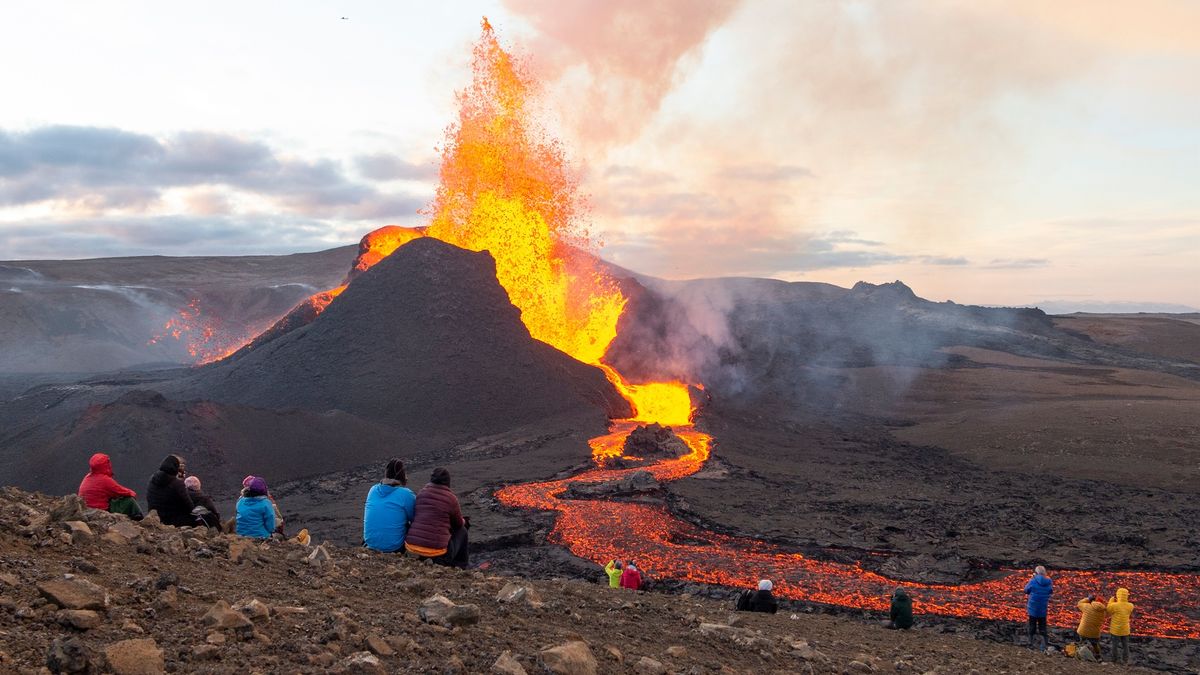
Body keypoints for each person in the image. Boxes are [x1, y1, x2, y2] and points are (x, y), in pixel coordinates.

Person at [404, 468, 469, 568]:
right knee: (462, 530)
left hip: (412, 549)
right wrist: (464, 520)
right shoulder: (450, 498)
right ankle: (460, 566)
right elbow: (458, 524)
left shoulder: (421, 493)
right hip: (436, 555)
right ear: (447, 482)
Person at [363, 458, 416, 553]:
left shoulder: (373, 490)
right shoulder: (405, 494)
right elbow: (414, 518)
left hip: (370, 543)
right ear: (402, 475)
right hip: (394, 547)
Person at [77, 452, 142, 519]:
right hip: (100, 512)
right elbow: (123, 491)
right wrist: (133, 494)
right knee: (130, 500)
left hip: (86, 512)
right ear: (105, 465)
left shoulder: (87, 477)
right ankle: (139, 519)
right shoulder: (104, 480)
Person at [146, 454, 195, 527]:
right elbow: (190, 507)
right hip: (172, 521)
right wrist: (181, 481)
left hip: (155, 518)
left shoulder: (153, 478)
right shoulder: (177, 484)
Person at [1023, 565, 1053, 651]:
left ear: (1036, 573)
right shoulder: (1049, 581)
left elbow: (1026, 590)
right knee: (1042, 626)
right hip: (1043, 608)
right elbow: (1050, 591)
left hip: (1032, 608)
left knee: (1032, 625)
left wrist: (1032, 579)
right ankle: (1043, 646)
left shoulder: (1033, 581)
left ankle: (1030, 643)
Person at [1106, 588, 1134, 664]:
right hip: (1125, 630)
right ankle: (1125, 660)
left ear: (1118, 595)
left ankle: (1114, 660)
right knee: (1125, 646)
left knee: (1114, 646)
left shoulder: (1114, 605)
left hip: (1115, 630)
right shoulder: (1130, 605)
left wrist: (1111, 601)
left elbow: (1108, 610)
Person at [1076, 595, 1106, 660]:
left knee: (1081, 642)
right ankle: (1098, 656)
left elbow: (1079, 603)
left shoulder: (1087, 606)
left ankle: (1078, 654)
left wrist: (1088, 599)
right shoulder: (1103, 612)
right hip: (1094, 633)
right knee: (1095, 644)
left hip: (1083, 630)